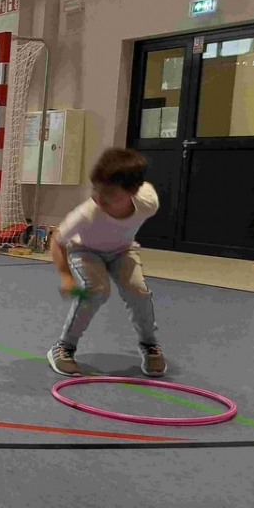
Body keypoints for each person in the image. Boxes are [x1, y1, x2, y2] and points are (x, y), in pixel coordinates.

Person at [47, 147, 166, 378]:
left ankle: (149, 344)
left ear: (133, 192)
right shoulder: (86, 214)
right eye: (96, 190)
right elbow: (56, 241)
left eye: (110, 195)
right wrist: (66, 276)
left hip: (123, 250)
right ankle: (64, 347)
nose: (98, 199)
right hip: (85, 251)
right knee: (96, 291)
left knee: (139, 292)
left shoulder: (148, 201)